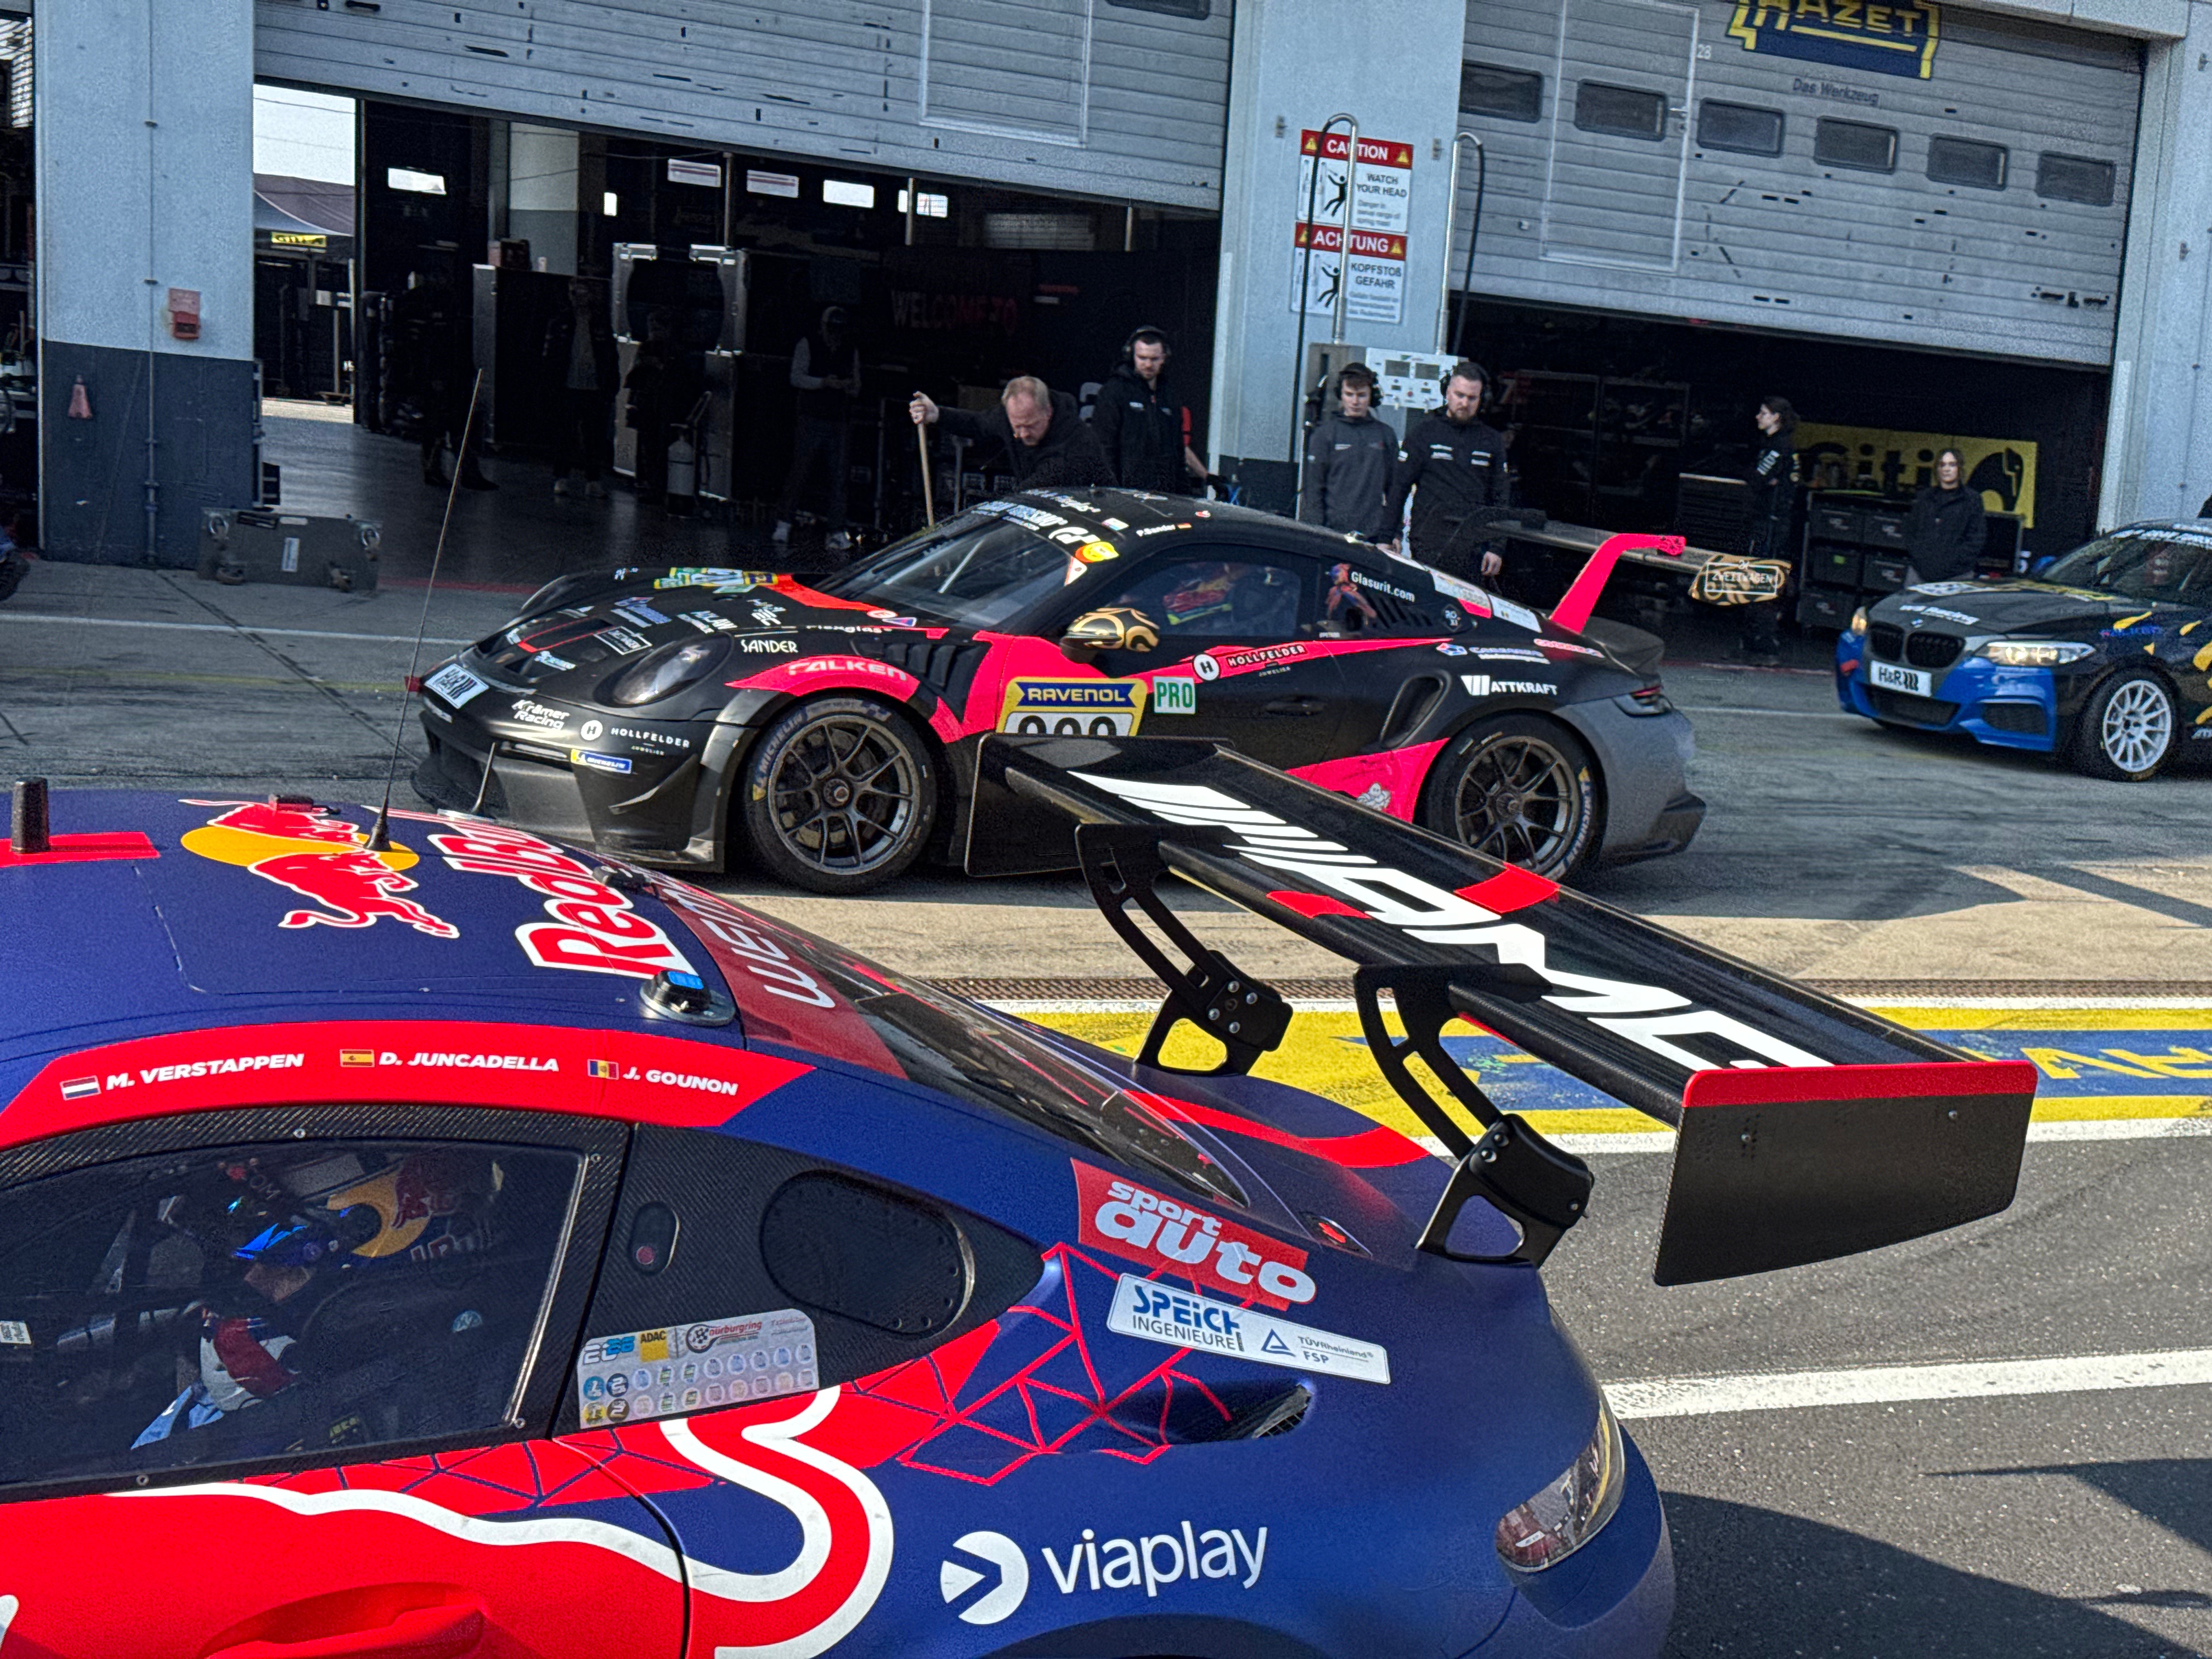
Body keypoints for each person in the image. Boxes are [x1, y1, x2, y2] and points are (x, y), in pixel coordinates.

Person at [1383, 361, 1510, 578]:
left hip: (1474, 548)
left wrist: (1497, 547)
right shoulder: (1424, 433)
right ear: (1447, 393)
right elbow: (1399, 488)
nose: (1464, 403)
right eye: (1459, 395)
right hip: (1428, 542)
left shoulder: (1492, 441)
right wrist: (1388, 536)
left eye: (1472, 398)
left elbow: (1501, 497)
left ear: (1482, 399)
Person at [909, 376, 1114, 491]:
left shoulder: (1078, 440)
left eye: (1030, 425)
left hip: (1086, 512)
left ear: (1048, 412)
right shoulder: (1007, 417)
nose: (1023, 434)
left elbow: (1045, 480)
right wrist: (938, 414)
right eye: (1017, 426)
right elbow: (977, 423)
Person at [391, 267, 494, 490]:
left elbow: (455, 340)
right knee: (436, 425)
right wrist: (427, 375)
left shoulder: (449, 300)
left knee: (460, 424)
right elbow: (419, 345)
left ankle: (467, 471)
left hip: (453, 373)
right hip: (433, 375)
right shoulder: (420, 303)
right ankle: (434, 469)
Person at [774, 306, 862, 553]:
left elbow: (857, 386)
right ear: (823, 327)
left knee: (839, 476)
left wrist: (845, 386)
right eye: (831, 329)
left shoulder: (850, 350)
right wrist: (823, 383)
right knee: (800, 470)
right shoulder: (808, 344)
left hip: (838, 419)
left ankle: (835, 530)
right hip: (811, 416)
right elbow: (796, 377)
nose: (834, 335)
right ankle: (784, 522)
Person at [1091, 326, 1207, 494]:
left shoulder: (1169, 395)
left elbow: (1177, 451)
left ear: (1164, 358)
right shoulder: (1114, 391)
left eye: (1154, 359)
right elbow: (1103, 446)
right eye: (1142, 358)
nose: (1148, 365)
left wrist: (1184, 493)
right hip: (1125, 493)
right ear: (1131, 356)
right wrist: (1111, 490)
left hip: (1165, 493)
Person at [1299, 362, 1397, 538]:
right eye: (1349, 395)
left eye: (1361, 395)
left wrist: (1394, 533)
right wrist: (1315, 531)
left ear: (1372, 397)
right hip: (1331, 532)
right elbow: (1313, 489)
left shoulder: (1385, 435)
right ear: (1341, 395)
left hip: (1373, 533)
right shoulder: (1325, 434)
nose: (1355, 402)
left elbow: (1394, 489)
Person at [542, 276, 619, 500]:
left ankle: (593, 480)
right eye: (574, 293)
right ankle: (562, 477)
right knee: (565, 434)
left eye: (583, 293)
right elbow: (550, 356)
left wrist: (611, 385)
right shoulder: (560, 322)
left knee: (594, 436)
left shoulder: (600, 323)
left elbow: (610, 356)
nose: (579, 298)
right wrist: (550, 385)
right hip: (567, 387)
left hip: (594, 388)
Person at [1737, 394, 1798, 666]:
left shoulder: (1780, 448)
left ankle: (1765, 643)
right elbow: (1761, 479)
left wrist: (1764, 480)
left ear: (1776, 417)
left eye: (1763, 413)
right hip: (1767, 521)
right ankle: (1752, 640)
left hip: (1772, 523)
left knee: (1763, 578)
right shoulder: (1772, 446)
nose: (1758, 417)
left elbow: (1757, 479)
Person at [624, 309, 702, 507]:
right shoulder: (648, 348)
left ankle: (661, 487)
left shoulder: (676, 351)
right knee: (650, 448)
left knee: (661, 447)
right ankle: (654, 486)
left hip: (667, 404)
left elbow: (682, 379)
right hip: (649, 402)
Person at [1903, 448, 1988, 585]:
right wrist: (1920, 557)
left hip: (1957, 576)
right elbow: (1910, 531)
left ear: (1960, 468)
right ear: (1937, 469)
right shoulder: (1925, 497)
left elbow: (1977, 537)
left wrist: (1955, 562)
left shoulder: (1972, 499)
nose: (1946, 469)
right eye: (1942, 465)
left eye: (1952, 465)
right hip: (1919, 573)